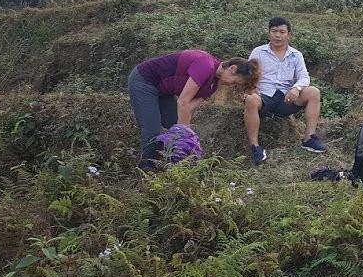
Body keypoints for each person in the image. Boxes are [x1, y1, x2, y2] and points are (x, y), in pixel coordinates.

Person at [129, 50, 260, 171]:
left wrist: (183, 137)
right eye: (234, 82)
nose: (231, 86)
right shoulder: (205, 65)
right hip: (144, 80)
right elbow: (183, 102)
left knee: (172, 127)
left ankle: (166, 168)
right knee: (152, 130)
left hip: (164, 91)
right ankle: (145, 172)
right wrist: (185, 138)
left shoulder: (213, 85)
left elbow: (189, 109)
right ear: (232, 68)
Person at [245, 16, 326, 164]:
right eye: (274, 31)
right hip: (263, 96)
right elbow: (248, 74)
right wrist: (253, 88)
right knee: (251, 99)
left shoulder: (296, 55)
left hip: (286, 98)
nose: (277, 35)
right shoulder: (258, 52)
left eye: (282, 32)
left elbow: (304, 77)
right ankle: (255, 147)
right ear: (268, 32)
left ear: (289, 34)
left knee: (313, 92)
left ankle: (309, 138)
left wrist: (296, 88)